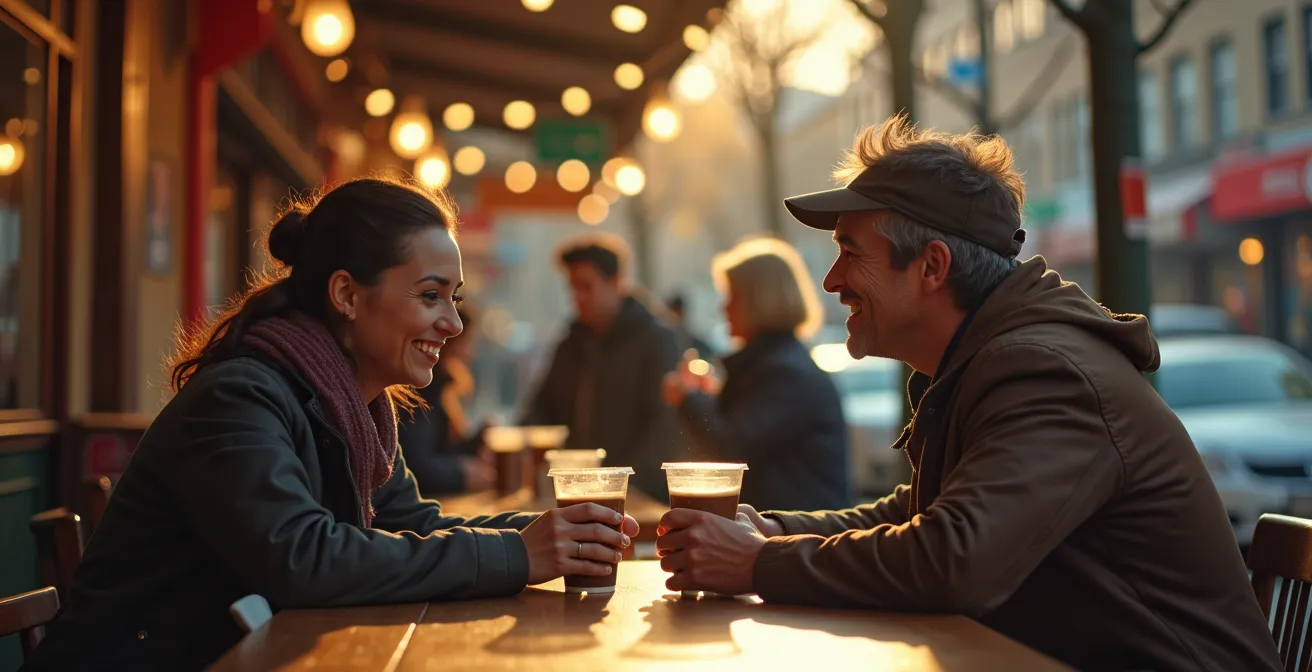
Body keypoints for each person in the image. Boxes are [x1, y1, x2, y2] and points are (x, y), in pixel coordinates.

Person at [654, 116, 1282, 671]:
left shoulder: (1048, 375)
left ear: (931, 267)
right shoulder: (992, 361)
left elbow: (954, 559)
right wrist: (767, 532)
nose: (831, 280)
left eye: (851, 252)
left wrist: (756, 564)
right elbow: (917, 513)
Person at [21, 178, 638, 671]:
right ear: (346, 294)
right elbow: (303, 558)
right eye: (430, 296)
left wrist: (550, 534)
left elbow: (413, 527)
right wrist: (516, 551)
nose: (453, 322)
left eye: (455, 297)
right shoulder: (240, 397)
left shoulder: (356, 404)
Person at [661, 237, 851, 512]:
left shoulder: (785, 373)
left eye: (733, 296)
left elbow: (732, 449)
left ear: (760, 300)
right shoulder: (777, 364)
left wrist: (688, 398)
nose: (723, 307)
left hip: (798, 538)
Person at [521, 233, 682, 500]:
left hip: (636, 496)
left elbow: (665, 425)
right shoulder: (571, 343)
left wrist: (624, 482)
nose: (576, 297)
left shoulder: (656, 340)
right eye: (571, 287)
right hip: (575, 491)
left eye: (586, 286)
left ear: (617, 283)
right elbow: (541, 407)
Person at [397, 305, 494, 496]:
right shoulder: (421, 392)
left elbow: (442, 448)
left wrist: (478, 441)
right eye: (469, 342)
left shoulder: (441, 389)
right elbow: (417, 466)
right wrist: (460, 473)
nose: (472, 353)